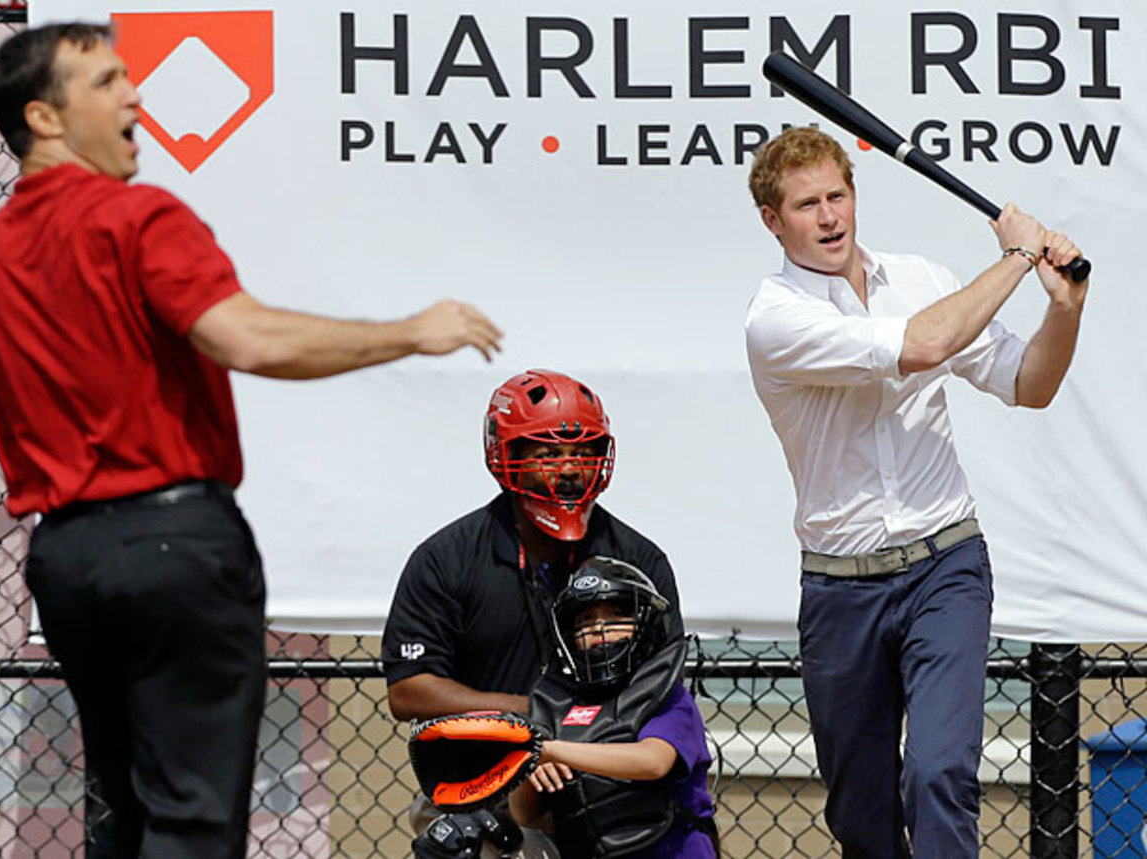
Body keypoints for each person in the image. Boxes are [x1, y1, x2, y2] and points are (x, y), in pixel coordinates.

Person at [0, 22, 503, 859]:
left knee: (128, 812)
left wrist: (44, 380)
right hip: (174, 546)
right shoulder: (133, 217)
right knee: (192, 817)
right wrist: (410, 332)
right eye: (104, 82)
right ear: (45, 118)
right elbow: (248, 340)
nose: (135, 95)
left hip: (65, 559)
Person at [743, 125, 1087, 857]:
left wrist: (1065, 308)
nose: (830, 216)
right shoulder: (776, 318)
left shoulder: (923, 279)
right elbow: (921, 345)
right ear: (773, 220)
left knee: (939, 773)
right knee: (864, 815)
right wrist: (1019, 256)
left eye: (838, 195)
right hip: (841, 590)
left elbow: (1031, 384)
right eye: (807, 204)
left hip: (945, 566)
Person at [382, 369, 684, 856]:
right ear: (507, 453)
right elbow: (409, 690)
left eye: (583, 452)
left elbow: (661, 680)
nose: (569, 468)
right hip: (480, 782)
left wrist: (571, 737)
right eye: (547, 453)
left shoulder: (638, 560)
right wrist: (536, 717)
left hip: (606, 783)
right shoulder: (446, 557)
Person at [510, 556, 717, 859]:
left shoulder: (666, 696)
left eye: (617, 616)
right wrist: (528, 770)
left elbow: (653, 762)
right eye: (586, 620)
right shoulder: (557, 706)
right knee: (478, 840)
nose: (600, 630)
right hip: (589, 850)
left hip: (671, 851)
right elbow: (524, 816)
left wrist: (553, 750)